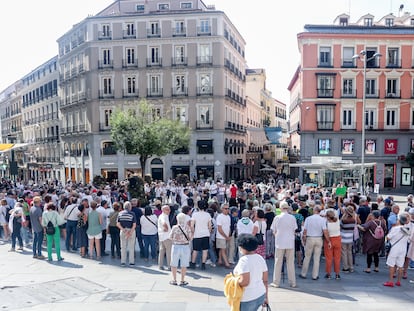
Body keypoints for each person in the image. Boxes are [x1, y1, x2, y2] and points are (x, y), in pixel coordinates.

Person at [233, 234, 268, 311]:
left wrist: (233, 281)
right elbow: (265, 280)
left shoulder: (244, 260)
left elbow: (245, 282)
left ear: (242, 247)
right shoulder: (260, 258)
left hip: (247, 297)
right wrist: (266, 297)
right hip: (260, 294)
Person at [270, 202, 297, 288]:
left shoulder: (277, 218)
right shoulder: (292, 218)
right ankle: (293, 282)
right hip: (290, 242)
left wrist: (277, 236)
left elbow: (273, 230)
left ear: (281, 208)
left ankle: (276, 282)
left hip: (280, 242)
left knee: (278, 262)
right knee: (290, 262)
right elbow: (294, 229)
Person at [300, 205, 329, 280]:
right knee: (317, 258)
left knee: (307, 257)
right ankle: (315, 275)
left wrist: (304, 238)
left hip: (310, 238)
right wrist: (328, 240)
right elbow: (325, 231)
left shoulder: (308, 219)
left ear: (314, 210)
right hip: (319, 238)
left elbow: (305, 230)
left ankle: (304, 273)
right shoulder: (322, 220)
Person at [383, 214, 410, 287]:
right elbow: (408, 240)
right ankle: (398, 281)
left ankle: (391, 281)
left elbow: (388, 237)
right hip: (403, 249)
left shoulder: (395, 228)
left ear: (399, 220)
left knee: (392, 264)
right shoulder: (407, 230)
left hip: (394, 248)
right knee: (400, 266)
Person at [169, 212, 193, 286]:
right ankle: (182, 280)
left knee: (174, 264)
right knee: (184, 264)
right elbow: (190, 237)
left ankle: (174, 279)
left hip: (176, 246)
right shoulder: (187, 227)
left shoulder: (174, 227)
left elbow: (170, 237)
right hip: (185, 246)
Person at [189, 200, 212, 270]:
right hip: (206, 234)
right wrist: (209, 232)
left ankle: (193, 263)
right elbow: (210, 226)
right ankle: (203, 264)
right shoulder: (208, 215)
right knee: (205, 250)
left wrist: (193, 232)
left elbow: (192, 225)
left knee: (195, 250)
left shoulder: (195, 214)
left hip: (197, 234)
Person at [117, 201, 137, 266]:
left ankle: (123, 261)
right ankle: (131, 261)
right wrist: (130, 232)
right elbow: (134, 224)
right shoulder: (132, 214)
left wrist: (124, 230)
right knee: (131, 247)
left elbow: (118, 224)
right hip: (131, 230)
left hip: (123, 231)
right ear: (130, 207)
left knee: (123, 247)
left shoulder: (120, 213)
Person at [324, 209, 342, 280]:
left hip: (330, 240)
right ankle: (337, 274)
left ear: (327, 217)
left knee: (329, 258)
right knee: (337, 258)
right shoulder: (337, 221)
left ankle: (328, 274)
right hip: (337, 239)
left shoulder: (326, 223)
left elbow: (326, 233)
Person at [340, 205, 357, 273]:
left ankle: (345, 267)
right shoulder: (353, 220)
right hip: (350, 237)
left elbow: (340, 227)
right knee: (349, 252)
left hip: (343, 237)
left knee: (344, 253)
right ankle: (351, 267)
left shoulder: (343, 220)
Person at [216, 203, 232, 268]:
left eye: (228, 208)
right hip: (221, 236)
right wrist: (226, 236)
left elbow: (229, 227)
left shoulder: (228, 217)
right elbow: (219, 228)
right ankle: (226, 263)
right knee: (223, 249)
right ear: (222, 209)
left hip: (226, 236)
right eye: (226, 208)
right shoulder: (219, 217)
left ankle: (220, 260)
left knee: (222, 249)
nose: (227, 210)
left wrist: (228, 235)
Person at [157, 204, 172, 270]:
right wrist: (166, 228)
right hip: (167, 236)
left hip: (161, 236)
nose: (169, 211)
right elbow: (164, 223)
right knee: (169, 252)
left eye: (169, 209)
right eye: (167, 209)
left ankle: (160, 265)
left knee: (162, 251)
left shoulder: (161, 216)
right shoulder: (164, 216)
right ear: (163, 210)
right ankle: (170, 266)